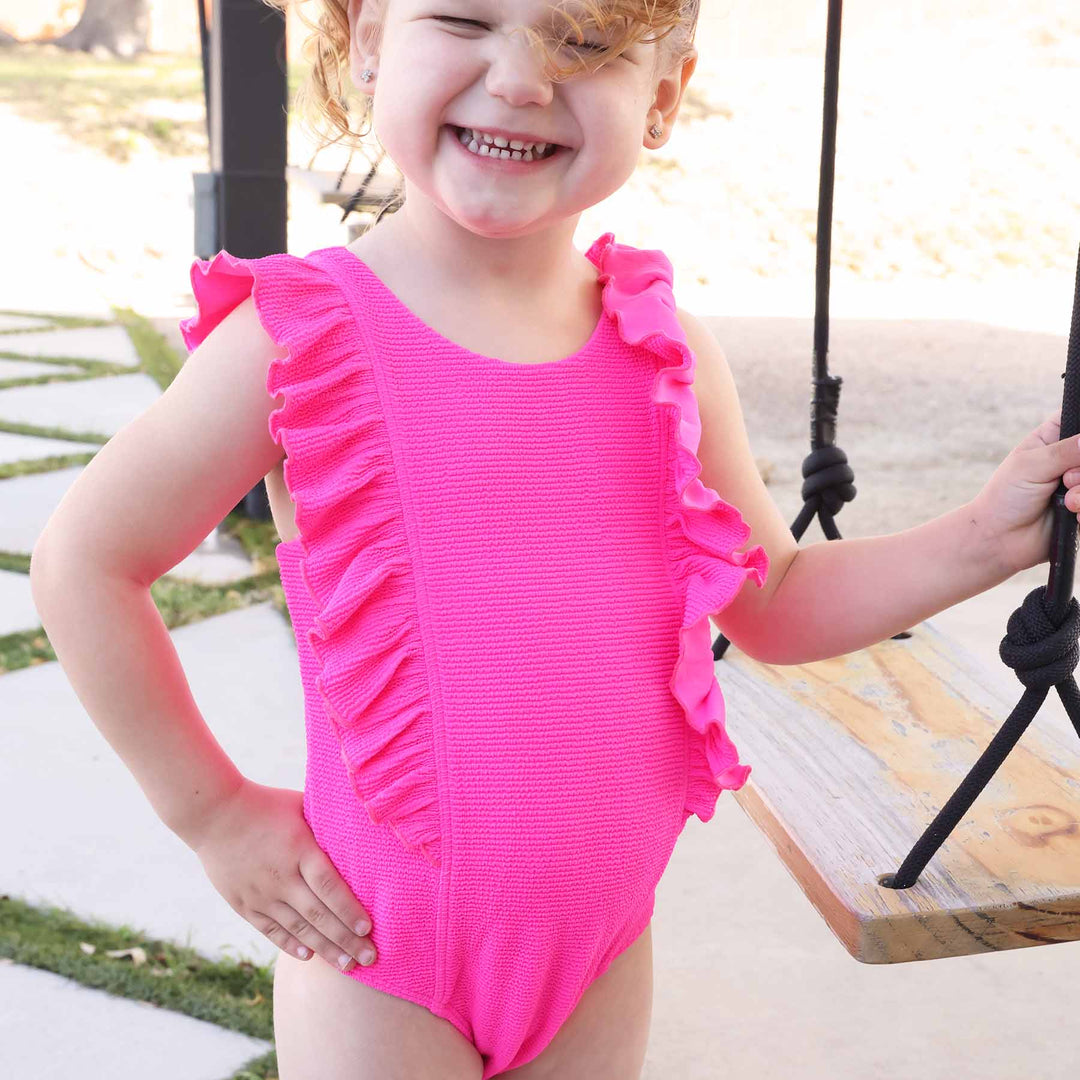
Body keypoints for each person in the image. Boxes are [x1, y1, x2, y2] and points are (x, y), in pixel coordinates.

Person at [28, 0, 1080, 1076]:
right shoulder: (300, 340)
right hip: (382, 963)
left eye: (583, 41)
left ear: (662, 96)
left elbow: (779, 601)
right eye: (463, 17)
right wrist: (215, 816)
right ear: (369, 37)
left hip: (600, 956)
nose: (522, 79)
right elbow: (86, 563)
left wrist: (985, 539)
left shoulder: (660, 353)